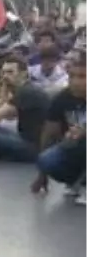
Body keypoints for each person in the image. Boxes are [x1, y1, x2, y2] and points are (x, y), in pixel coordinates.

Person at [31, 53, 87, 203]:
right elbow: (49, 134)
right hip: (73, 147)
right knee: (47, 160)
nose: (75, 82)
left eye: (82, 77)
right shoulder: (62, 98)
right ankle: (77, 183)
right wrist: (42, 175)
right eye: (72, 76)